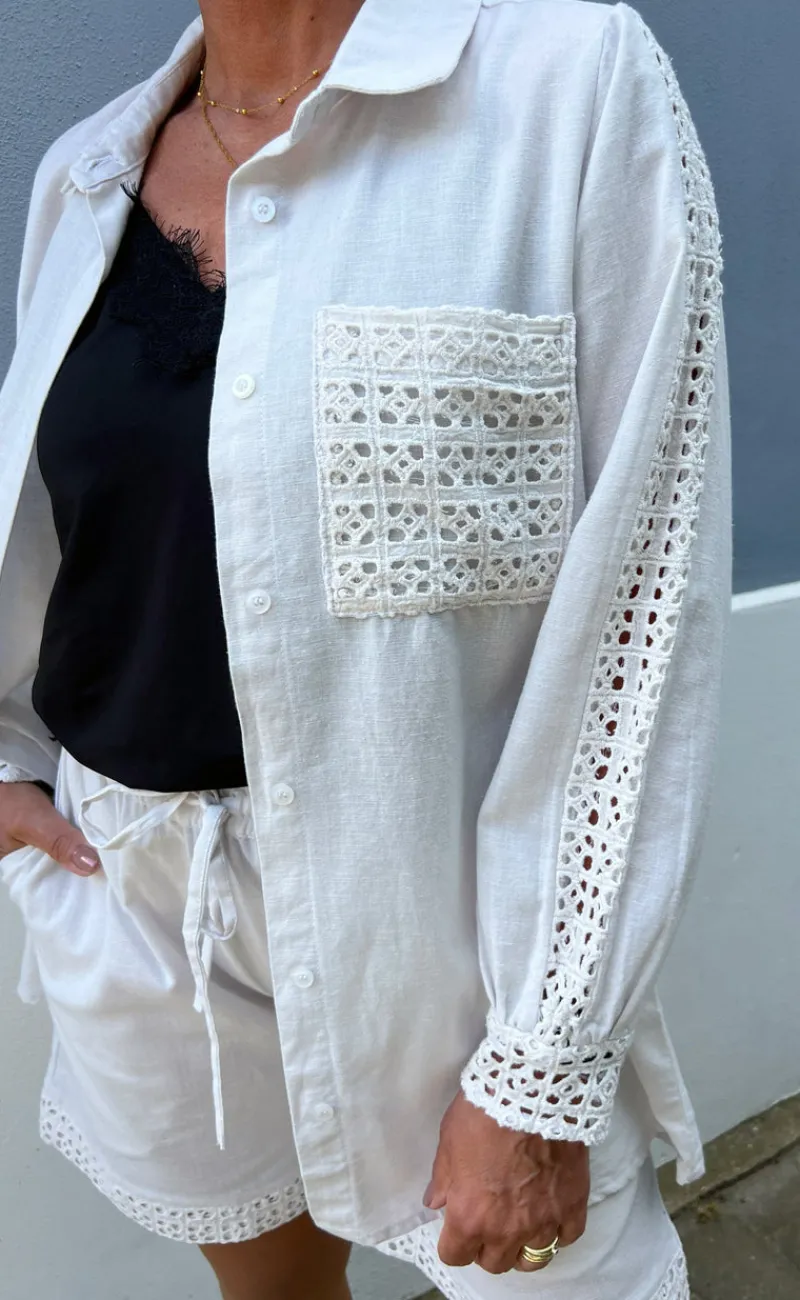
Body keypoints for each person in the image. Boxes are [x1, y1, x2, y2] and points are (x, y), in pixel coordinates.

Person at [0, 0, 731, 1296]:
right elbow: (57, 533)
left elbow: (645, 598)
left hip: (449, 930)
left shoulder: (565, 83)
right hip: (142, 902)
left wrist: (548, 1057)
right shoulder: (87, 173)